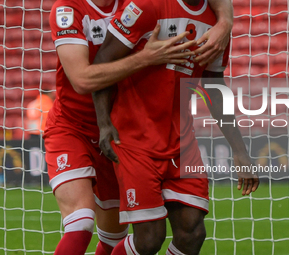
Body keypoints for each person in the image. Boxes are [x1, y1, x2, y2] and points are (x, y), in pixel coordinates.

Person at [46, 0, 233, 254]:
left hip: (120, 130)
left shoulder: (135, 4)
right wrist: (147, 57)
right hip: (74, 126)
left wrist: (225, 21)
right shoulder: (68, 9)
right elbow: (81, 80)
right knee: (81, 223)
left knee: (114, 238)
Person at [92, 0, 260, 254]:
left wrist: (240, 150)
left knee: (192, 233)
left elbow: (214, 86)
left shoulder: (217, 25)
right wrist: (104, 124)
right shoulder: (147, 6)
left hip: (181, 142)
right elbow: (103, 59)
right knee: (149, 240)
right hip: (134, 138)